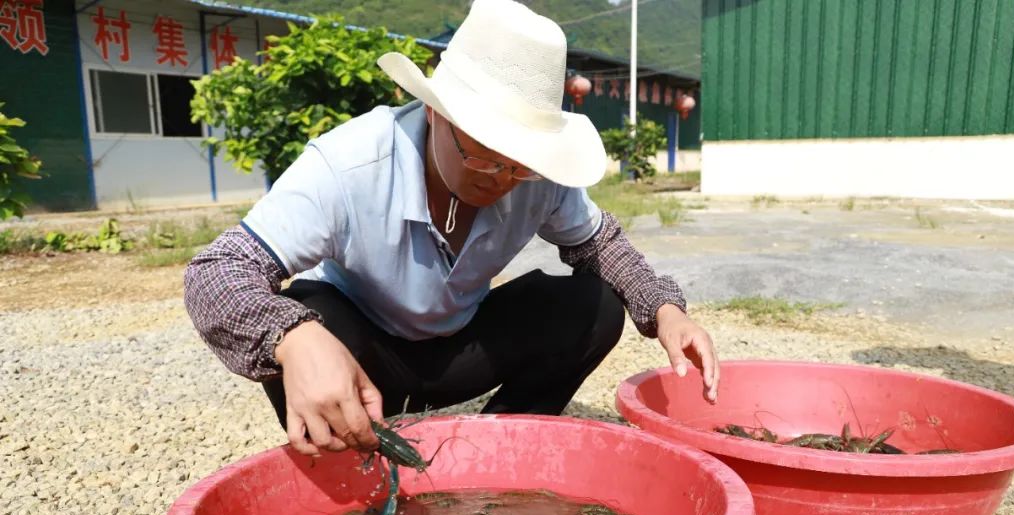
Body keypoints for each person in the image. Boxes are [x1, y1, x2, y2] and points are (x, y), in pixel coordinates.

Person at [183, 0, 718, 458]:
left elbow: (601, 242)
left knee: (594, 304)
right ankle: (355, 458)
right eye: (485, 159)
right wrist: (292, 338)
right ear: (438, 113)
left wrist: (664, 310)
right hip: (365, 362)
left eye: (521, 165)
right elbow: (217, 272)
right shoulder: (349, 166)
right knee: (308, 318)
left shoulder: (535, 172)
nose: (505, 180)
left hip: (459, 348)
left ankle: (501, 446)